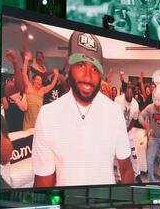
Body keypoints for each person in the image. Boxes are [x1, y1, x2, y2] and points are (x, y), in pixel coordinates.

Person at [32, 31, 134, 187]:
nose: (87, 76)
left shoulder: (114, 112)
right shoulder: (48, 116)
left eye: (94, 69)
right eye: (80, 65)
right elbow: (43, 185)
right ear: (69, 64)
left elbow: (126, 170)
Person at [22, 51, 59, 130]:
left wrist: (56, 75)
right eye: (37, 79)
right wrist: (26, 60)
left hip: (38, 124)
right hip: (27, 124)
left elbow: (52, 85)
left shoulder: (42, 90)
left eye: (40, 80)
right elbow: (24, 73)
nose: (39, 81)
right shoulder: (28, 87)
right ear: (33, 80)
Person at [114, 85, 143, 183]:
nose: (130, 95)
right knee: (119, 155)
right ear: (125, 92)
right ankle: (119, 177)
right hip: (118, 131)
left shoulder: (135, 104)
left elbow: (134, 120)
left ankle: (137, 174)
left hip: (128, 132)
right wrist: (119, 129)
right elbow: (114, 115)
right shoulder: (118, 100)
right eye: (128, 93)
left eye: (132, 94)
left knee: (133, 154)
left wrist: (126, 130)